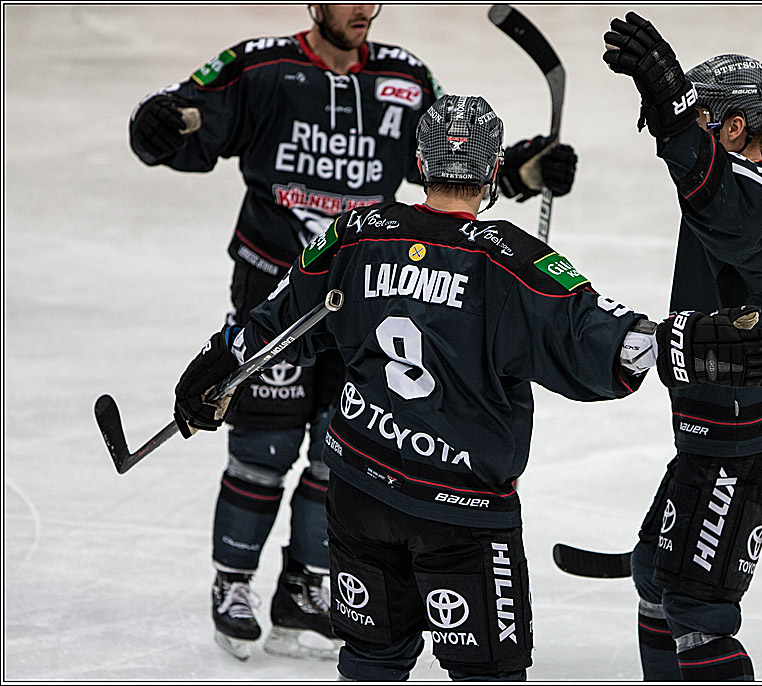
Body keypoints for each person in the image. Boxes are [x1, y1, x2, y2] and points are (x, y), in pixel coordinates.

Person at [170, 93, 762, 680]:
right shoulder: (515, 261)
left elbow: (280, 321)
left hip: (359, 493)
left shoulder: (355, 232)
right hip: (462, 515)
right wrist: (692, 340)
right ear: (495, 169)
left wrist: (215, 366)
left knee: (370, 661)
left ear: (418, 164)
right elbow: (600, 339)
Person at [127, 5, 579, 662]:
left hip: (365, 289)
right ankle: (232, 582)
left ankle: (306, 589)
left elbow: (454, 165)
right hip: (274, 291)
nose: (364, 9)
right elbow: (180, 128)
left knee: (338, 450)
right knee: (263, 445)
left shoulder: (404, 78)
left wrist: (523, 169)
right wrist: (155, 127)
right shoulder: (261, 65)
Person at [602, 12, 762, 681]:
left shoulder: (748, 196)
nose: (698, 136)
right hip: (735, 418)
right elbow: (712, 189)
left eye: (709, 121)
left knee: (694, 605)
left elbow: (713, 194)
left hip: (755, 428)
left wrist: (675, 115)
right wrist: (678, 116)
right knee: (657, 575)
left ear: (736, 127)